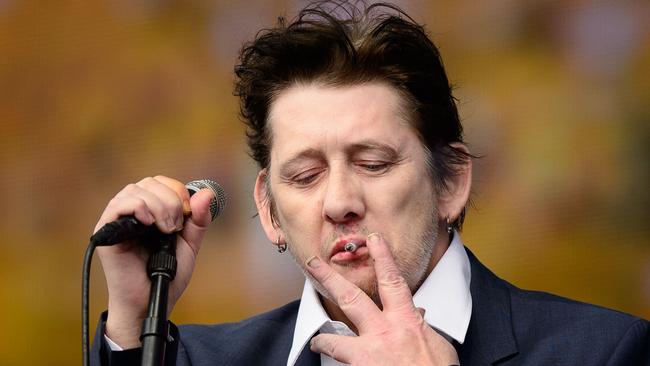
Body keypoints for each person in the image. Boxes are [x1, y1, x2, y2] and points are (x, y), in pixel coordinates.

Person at [91, 2, 649, 365]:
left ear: (451, 181)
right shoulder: (192, 359)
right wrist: (132, 323)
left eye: (374, 164)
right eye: (306, 176)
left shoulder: (606, 352)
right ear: (268, 210)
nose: (339, 202)